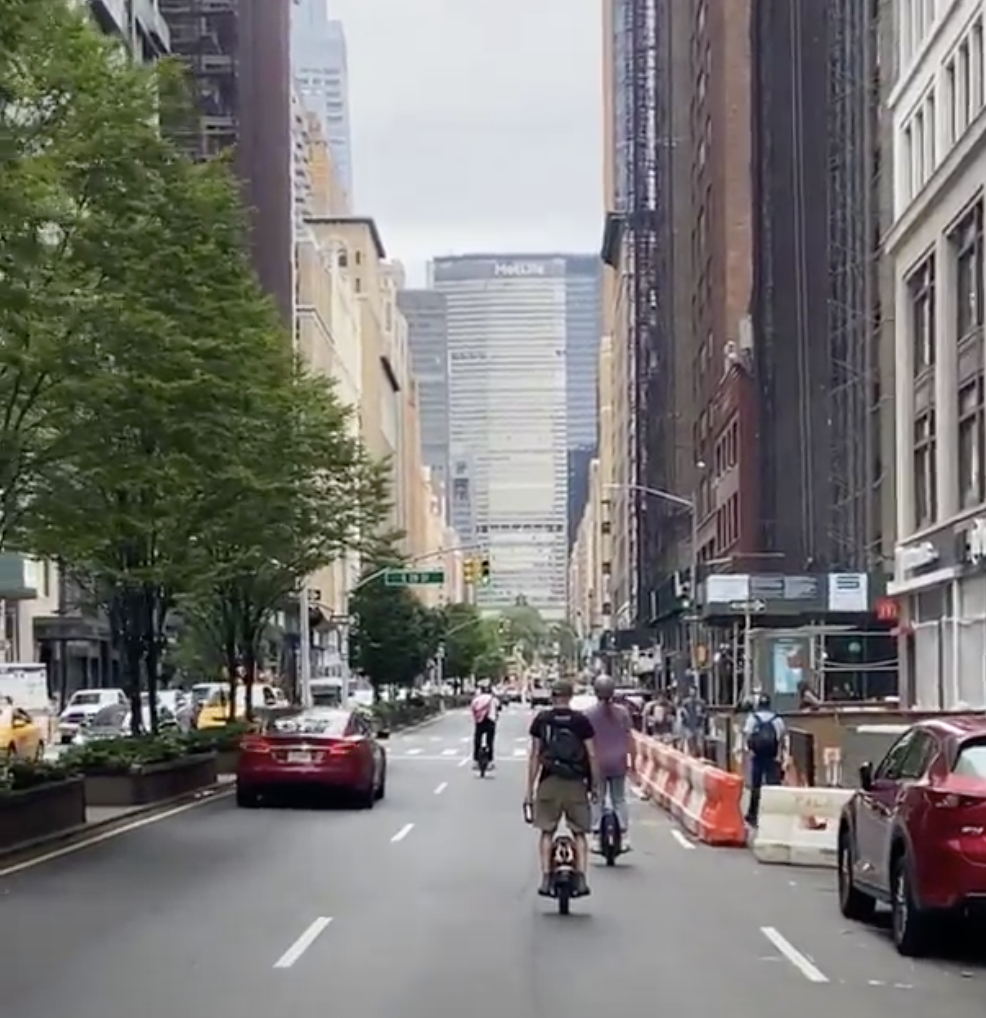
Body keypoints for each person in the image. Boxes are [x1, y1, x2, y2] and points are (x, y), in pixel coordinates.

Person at [525, 678, 600, 897]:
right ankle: (581, 879)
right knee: (579, 832)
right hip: (576, 783)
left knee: (547, 831)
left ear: (553, 696)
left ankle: (547, 879)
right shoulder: (581, 721)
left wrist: (529, 791)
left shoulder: (542, 720)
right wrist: (594, 785)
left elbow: (535, 756)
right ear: (570, 696)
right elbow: (592, 754)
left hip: (549, 781)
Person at [584, 674, 636, 852]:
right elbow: (630, 740)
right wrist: (632, 763)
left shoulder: (589, 715)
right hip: (618, 762)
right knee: (619, 798)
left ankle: (596, 837)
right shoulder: (622, 713)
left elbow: (586, 742)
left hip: (597, 763)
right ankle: (624, 835)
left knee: (597, 799)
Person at [743, 692, 786, 826]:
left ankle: (753, 815)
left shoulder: (753, 718)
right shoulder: (777, 719)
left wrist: (748, 751)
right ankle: (775, 815)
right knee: (773, 786)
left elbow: (747, 735)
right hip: (772, 756)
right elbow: (782, 738)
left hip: (757, 756)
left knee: (756, 786)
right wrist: (780, 755)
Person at [470, 679, 500, 769]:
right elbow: (499, 707)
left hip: (479, 722)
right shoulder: (493, 699)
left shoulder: (476, 699)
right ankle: (490, 761)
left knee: (477, 740)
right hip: (490, 721)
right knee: (490, 741)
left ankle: (475, 761)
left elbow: (472, 709)